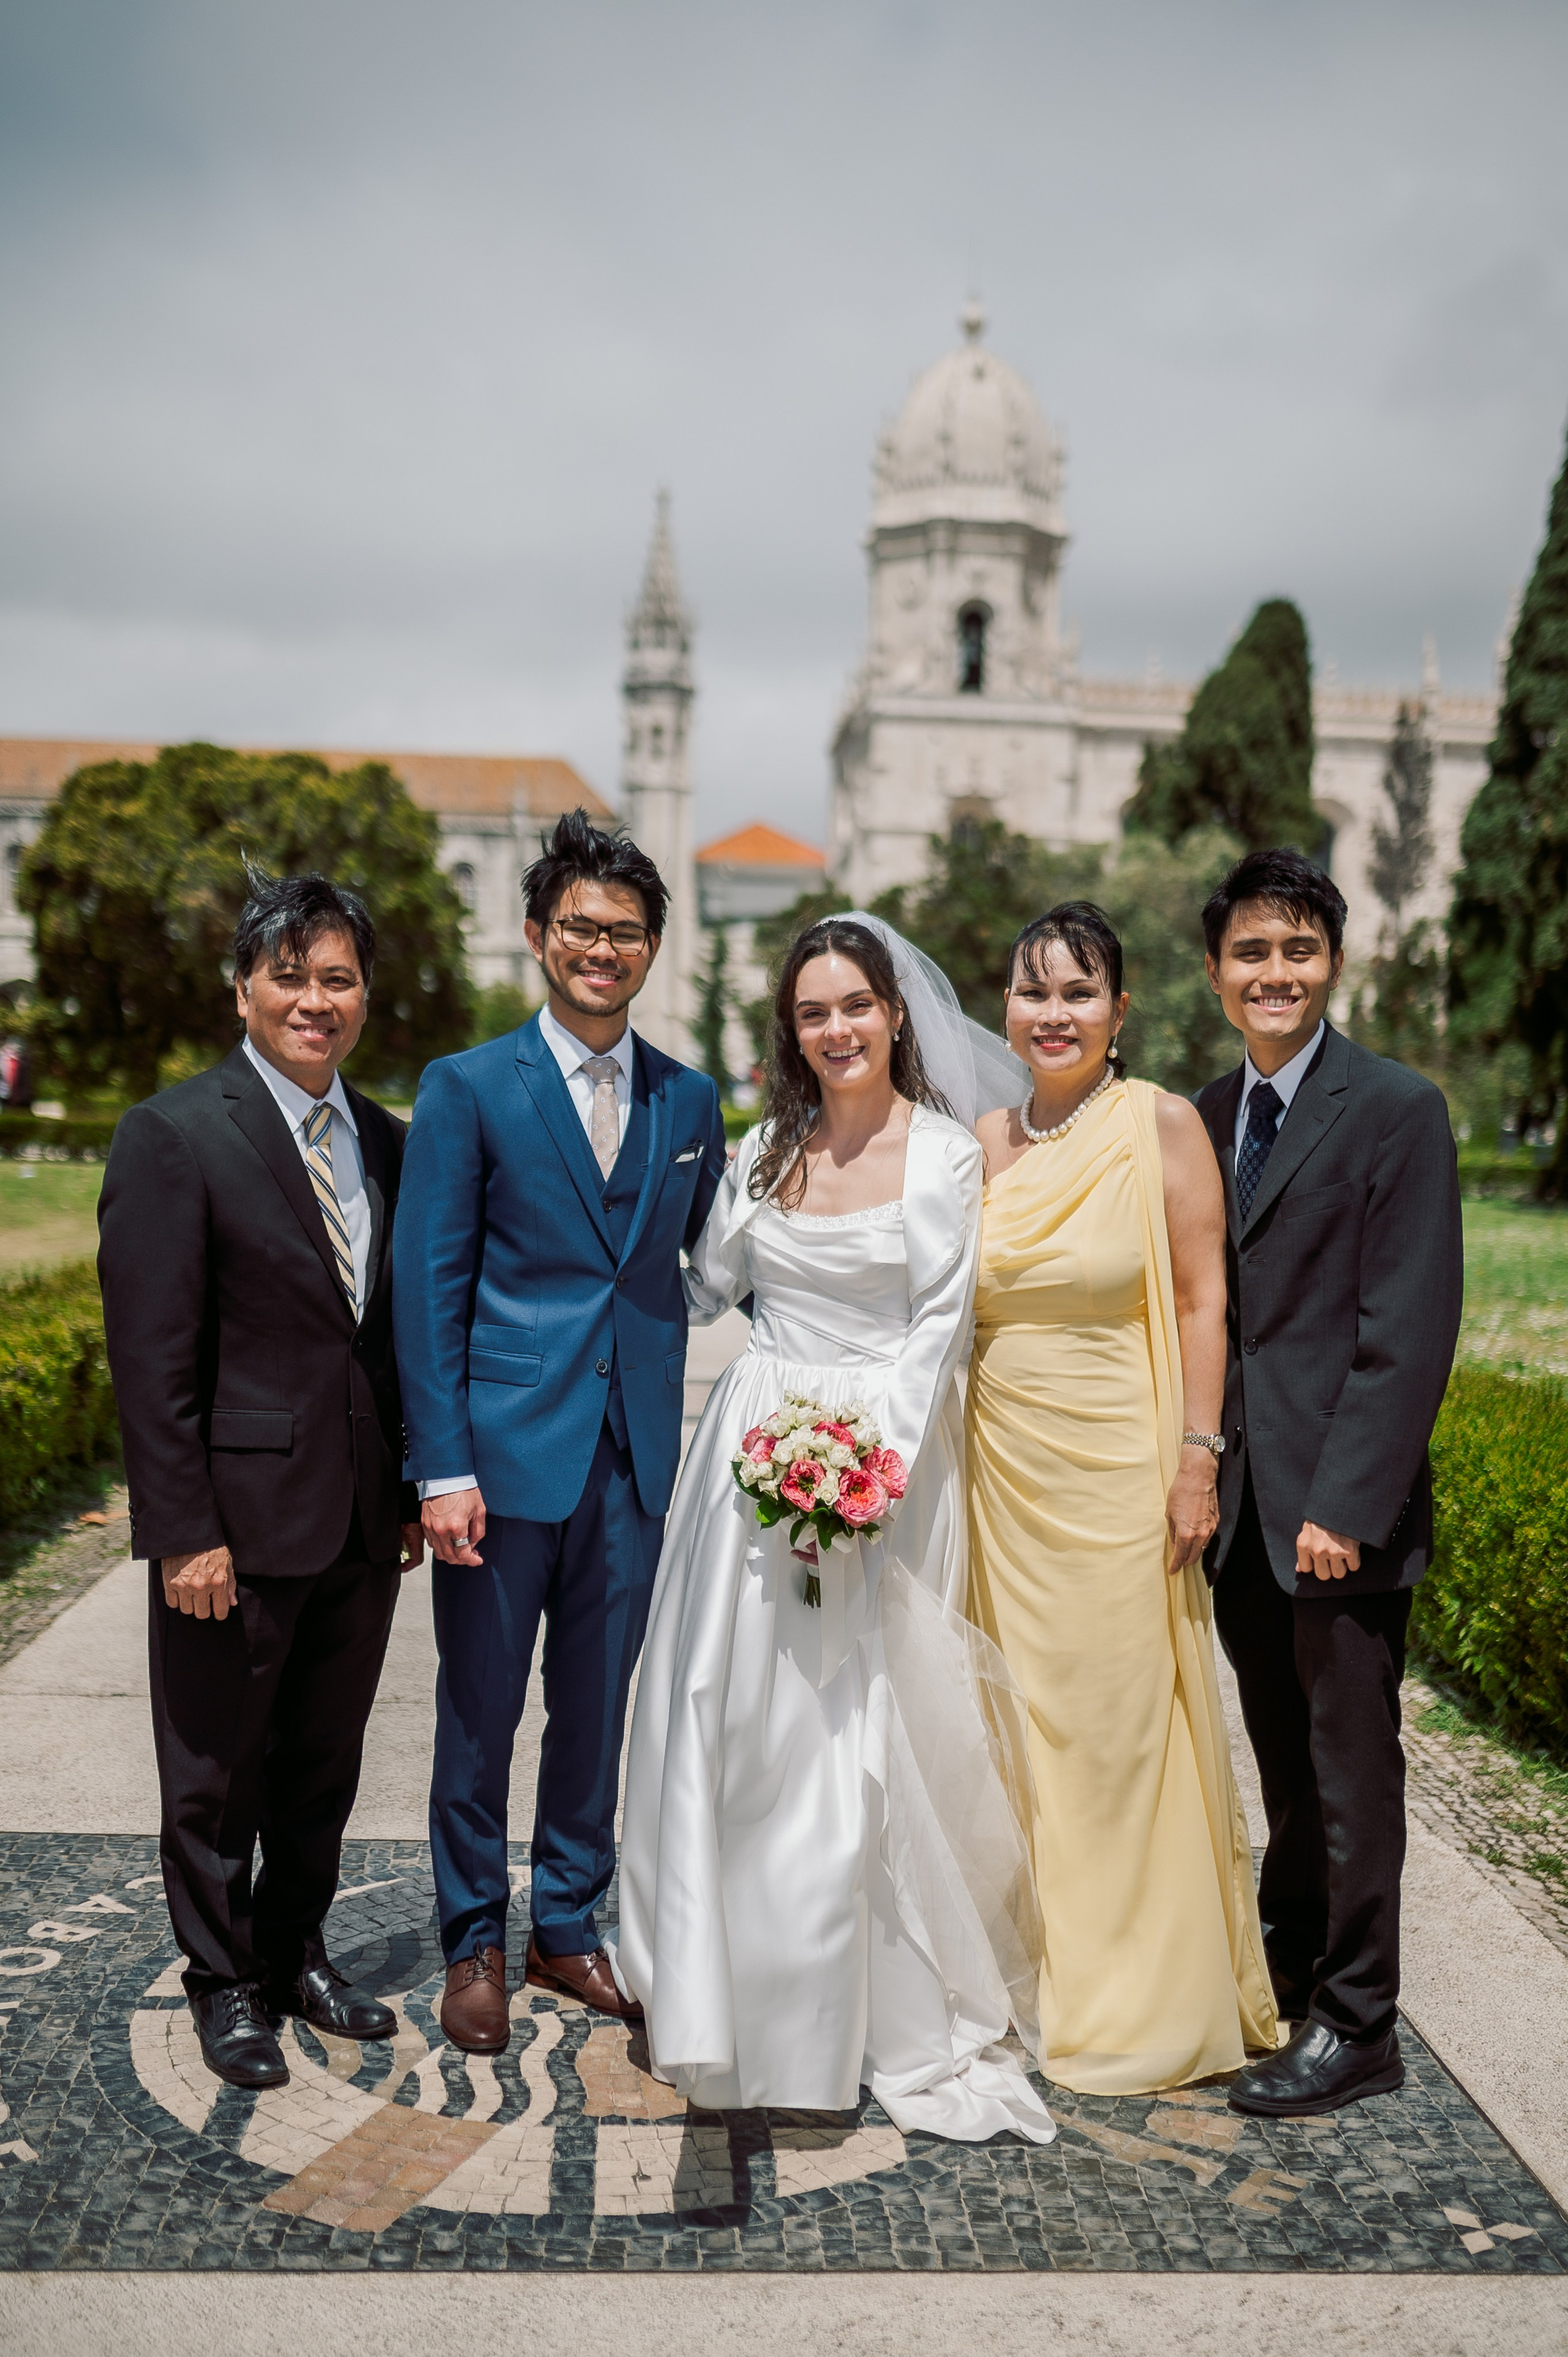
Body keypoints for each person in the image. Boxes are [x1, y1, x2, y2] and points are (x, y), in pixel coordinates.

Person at [614, 916, 1055, 2143]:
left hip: (876, 1466)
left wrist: (861, 1482)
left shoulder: (943, 1155)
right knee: (728, 1713)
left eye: (855, 1005)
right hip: (749, 1458)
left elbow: (938, 1330)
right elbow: (708, 1284)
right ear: (791, 1031)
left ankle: (845, 2002)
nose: (836, 1029)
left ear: (895, 1014)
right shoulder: (766, 1149)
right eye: (812, 1012)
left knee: (854, 1729)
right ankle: (717, 1973)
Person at [393, 810, 727, 2054]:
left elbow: (717, 1262)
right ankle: (473, 1938)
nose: (602, 949)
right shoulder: (469, 1085)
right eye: (581, 927)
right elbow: (431, 1288)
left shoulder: (689, 1098)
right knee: (480, 1710)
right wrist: (440, 1466)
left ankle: (568, 1924)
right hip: (496, 1461)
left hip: (633, 1461)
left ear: (651, 949)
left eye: (625, 931)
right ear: (538, 934)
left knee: (595, 1712)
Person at [97, 872, 422, 2091]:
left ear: (365, 996)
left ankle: (294, 1953)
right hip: (228, 1528)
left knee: (322, 1764)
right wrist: (183, 1529)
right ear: (243, 988)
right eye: (290, 976)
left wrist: (400, 1493)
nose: (314, 1000)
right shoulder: (175, 1133)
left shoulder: (387, 1142)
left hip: (357, 1523)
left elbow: (384, 1336)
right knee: (215, 1771)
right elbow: (152, 1357)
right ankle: (223, 1979)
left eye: (338, 978)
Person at [967, 902, 1277, 2095]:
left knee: (1117, 1724)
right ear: (1004, 1007)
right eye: (1032, 990)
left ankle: (1141, 1987)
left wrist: (1198, 1459)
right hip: (1001, 1477)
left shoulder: (1161, 1124)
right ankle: (1037, 1969)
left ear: (1118, 1009)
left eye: (1078, 992)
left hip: (1119, 1475)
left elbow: (1203, 1299)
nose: (1053, 1014)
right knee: (1017, 1728)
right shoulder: (981, 1141)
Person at [1195, 848, 1462, 2117]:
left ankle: (1359, 2022)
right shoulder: (1204, 1115)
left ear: (1333, 964)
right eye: (1250, 951)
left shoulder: (1396, 1108)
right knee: (1283, 1763)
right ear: (1215, 972)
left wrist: (1345, 1507)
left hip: (1337, 1515)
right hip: (1242, 1512)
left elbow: (1406, 1328)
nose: (1275, 972)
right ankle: (1294, 1960)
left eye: (1297, 949)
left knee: (1351, 1772)